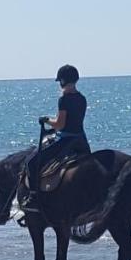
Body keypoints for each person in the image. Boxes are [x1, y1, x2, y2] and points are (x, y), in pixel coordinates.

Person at [26, 65, 91, 193]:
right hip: (81, 140)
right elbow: (73, 123)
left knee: (31, 163)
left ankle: (32, 197)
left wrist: (46, 120)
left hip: (67, 140)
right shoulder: (82, 98)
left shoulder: (64, 99)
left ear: (63, 81)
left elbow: (60, 125)